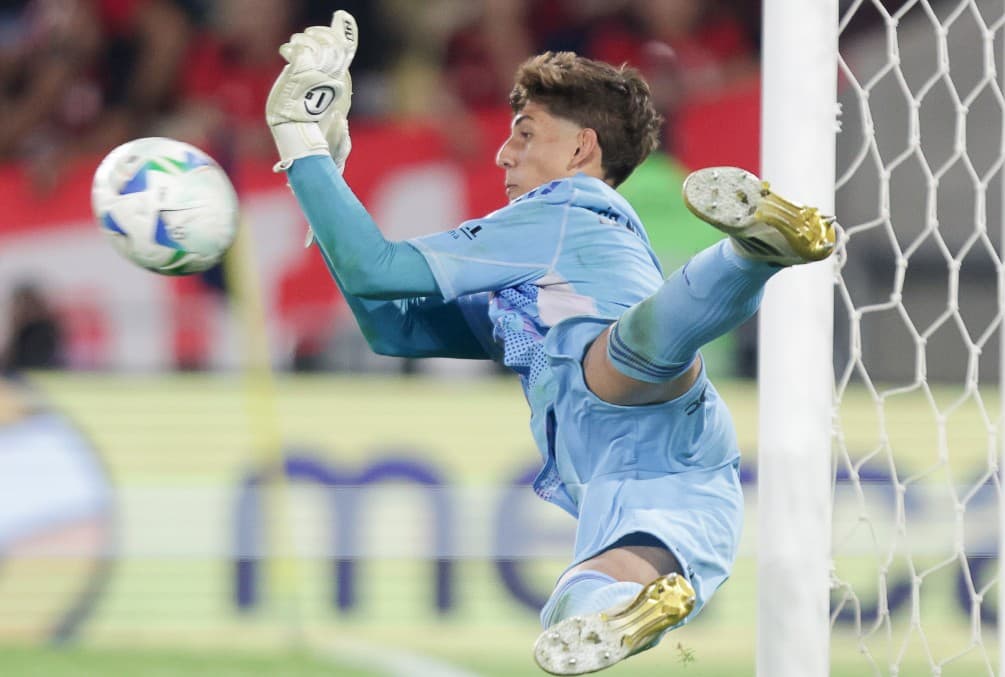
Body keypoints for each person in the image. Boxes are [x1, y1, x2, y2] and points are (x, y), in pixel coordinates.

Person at [264, 11, 835, 675]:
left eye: (524, 133)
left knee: (622, 353)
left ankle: (749, 255)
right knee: (579, 604)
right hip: (672, 469)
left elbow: (378, 267)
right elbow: (388, 323)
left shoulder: (562, 207)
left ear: (577, 150)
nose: (504, 153)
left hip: (620, 385)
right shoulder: (545, 268)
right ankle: (627, 608)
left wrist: (300, 143)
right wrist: (326, 172)